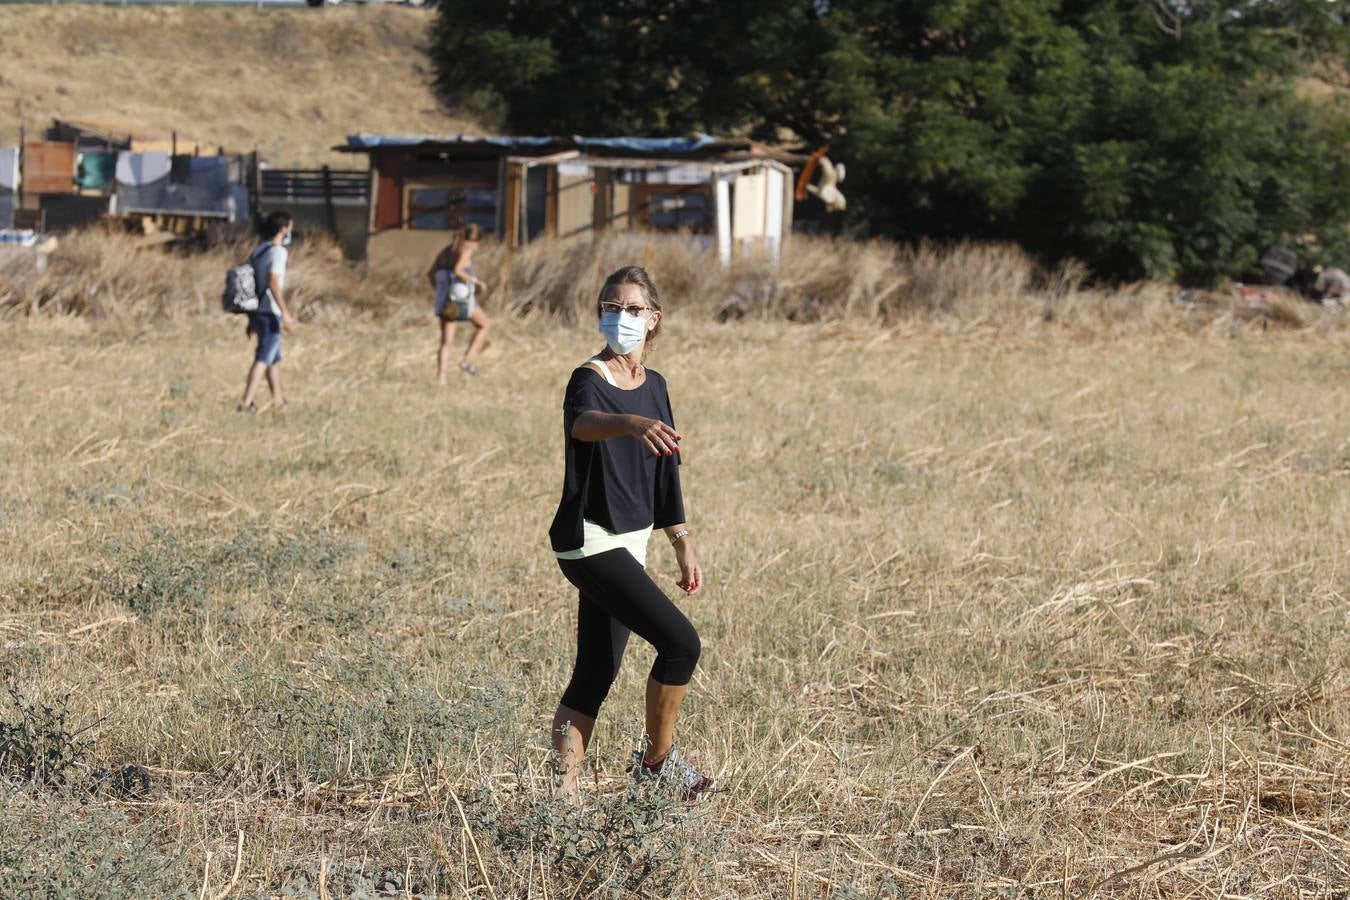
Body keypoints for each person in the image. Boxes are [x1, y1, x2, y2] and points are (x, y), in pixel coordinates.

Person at [547, 265, 712, 803]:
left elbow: (667, 468)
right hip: (589, 540)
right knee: (681, 643)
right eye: (610, 307)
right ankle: (656, 766)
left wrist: (681, 537)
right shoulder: (588, 378)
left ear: (654, 320)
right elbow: (583, 423)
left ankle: (562, 800)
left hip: (632, 540)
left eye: (632, 309)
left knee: (596, 668)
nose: (619, 317)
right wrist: (630, 424)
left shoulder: (656, 386)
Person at [238, 211, 297, 412]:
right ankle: (245, 403)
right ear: (283, 229)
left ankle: (278, 401)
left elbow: (251, 284)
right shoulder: (278, 252)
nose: (291, 231)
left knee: (273, 357)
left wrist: (250, 318)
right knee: (264, 357)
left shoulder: (259, 250)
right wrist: (285, 313)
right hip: (270, 311)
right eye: (290, 227)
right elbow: (273, 282)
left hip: (257, 311)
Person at [427, 224, 491, 381]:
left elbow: (430, 274)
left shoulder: (446, 251)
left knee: (446, 341)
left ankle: (441, 378)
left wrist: (440, 291)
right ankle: (467, 360)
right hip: (462, 300)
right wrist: (477, 282)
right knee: (485, 325)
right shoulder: (466, 250)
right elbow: (458, 270)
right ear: (474, 240)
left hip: (446, 300)